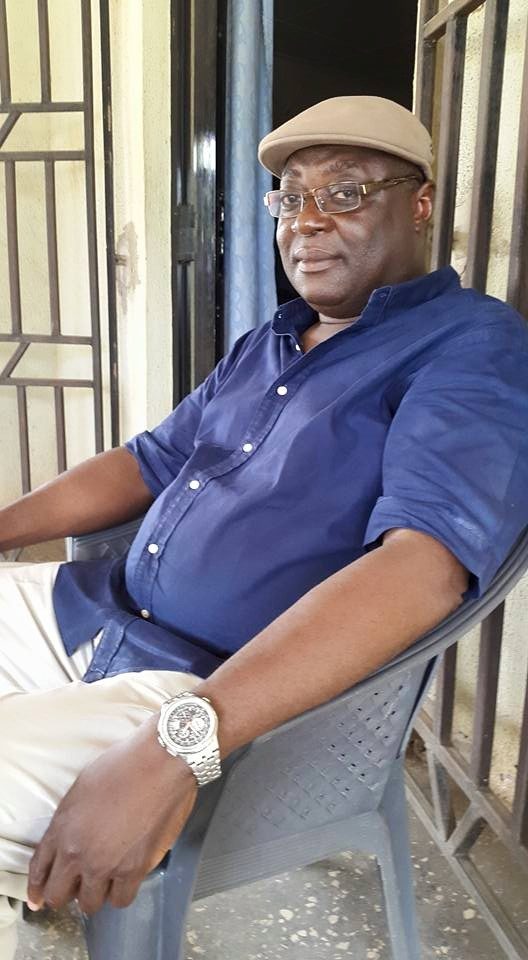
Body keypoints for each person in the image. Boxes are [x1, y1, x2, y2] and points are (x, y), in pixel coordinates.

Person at [1, 95, 527, 958]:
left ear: (420, 204)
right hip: (87, 610)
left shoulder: (471, 345)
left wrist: (177, 745)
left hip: (204, 691)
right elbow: (146, 462)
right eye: (290, 197)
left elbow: (422, 569)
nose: (306, 222)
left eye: (345, 193)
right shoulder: (269, 342)